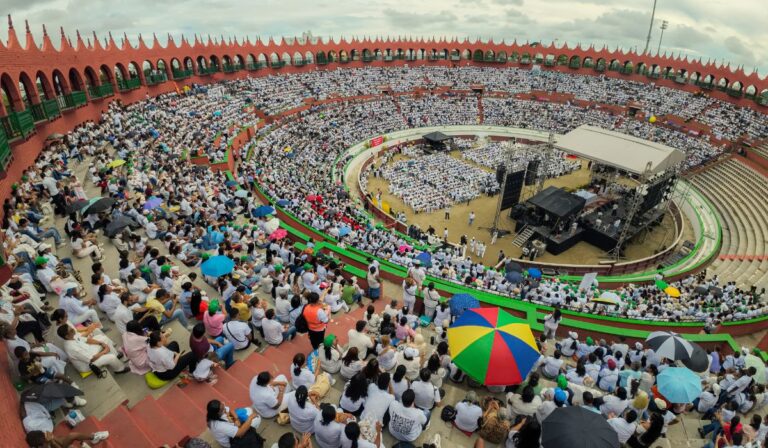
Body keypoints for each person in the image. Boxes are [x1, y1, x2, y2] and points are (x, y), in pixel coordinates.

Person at [57, 324, 128, 375]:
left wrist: (101, 343)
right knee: (111, 358)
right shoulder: (72, 348)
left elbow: (87, 340)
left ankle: (115, 355)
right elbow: (91, 359)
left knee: (103, 338)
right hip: (88, 364)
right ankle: (119, 369)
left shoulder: (72, 336)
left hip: (88, 351)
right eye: (71, 330)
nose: (73, 330)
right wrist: (104, 351)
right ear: (67, 335)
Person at [25, 429, 110, 448]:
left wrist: (53, 438)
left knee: (72, 436)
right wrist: (52, 442)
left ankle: (94, 437)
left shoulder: (45, 441)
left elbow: (62, 441)